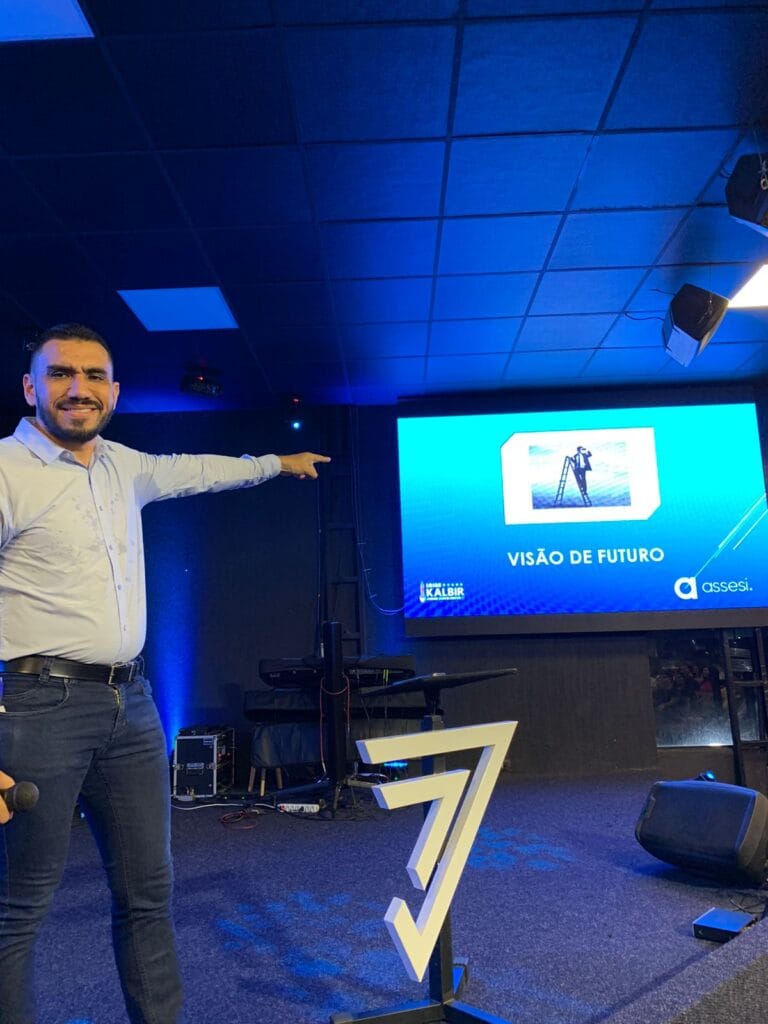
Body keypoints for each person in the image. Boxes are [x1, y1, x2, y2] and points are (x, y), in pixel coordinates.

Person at [0, 323, 330, 1024]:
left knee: (148, 897)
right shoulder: (4, 470)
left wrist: (275, 462)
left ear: (115, 391)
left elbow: (199, 469)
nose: (79, 389)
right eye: (60, 374)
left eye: (94, 375)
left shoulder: (124, 466)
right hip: (35, 710)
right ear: (30, 388)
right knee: (17, 910)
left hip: (133, 708)